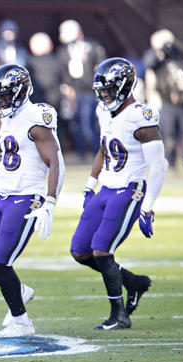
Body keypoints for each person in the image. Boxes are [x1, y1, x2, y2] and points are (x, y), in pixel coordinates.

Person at [0, 64, 65, 337]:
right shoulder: (8, 119)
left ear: (20, 93)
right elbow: (8, 167)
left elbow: (56, 161)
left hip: (26, 198)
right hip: (2, 197)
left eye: (5, 96)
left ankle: (21, 322)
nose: (0, 102)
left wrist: (50, 201)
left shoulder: (36, 117)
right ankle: (18, 290)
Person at [71, 58, 167, 330]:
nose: (105, 96)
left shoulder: (141, 116)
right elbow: (104, 149)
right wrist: (90, 185)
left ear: (125, 87)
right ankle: (133, 283)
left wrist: (147, 207)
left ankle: (119, 314)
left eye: (110, 90)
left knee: (102, 250)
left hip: (129, 190)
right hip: (106, 188)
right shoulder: (105, 112)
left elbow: (158, 165)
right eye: (102, 91)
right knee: (80, 251)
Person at [56, 19, 106, 163]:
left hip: (90, 92)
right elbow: (62, 72)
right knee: (75, 123)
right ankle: (80, 154)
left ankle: (96, 152)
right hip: (73, 92)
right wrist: (67, 88)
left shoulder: (92, 46)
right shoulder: (63, 51)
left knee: (90, 122)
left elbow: (100, 65)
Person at [143, 29, 183, 170]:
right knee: (168, 134)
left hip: (182, 103)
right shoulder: (157, 61)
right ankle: (170, 161)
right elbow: (149, 62)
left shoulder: (177, 59)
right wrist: (159, 50)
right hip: (165, 102)